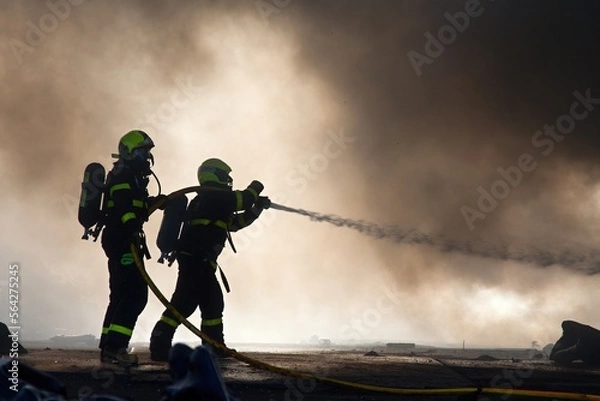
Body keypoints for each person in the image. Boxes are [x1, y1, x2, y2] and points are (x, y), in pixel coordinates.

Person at [149, 158, 270, 361]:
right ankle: (162, 345)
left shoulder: (209, 200)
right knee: (186, 304)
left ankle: (211, 345)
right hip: (196, 260)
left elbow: (236, 223)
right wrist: (256, 187)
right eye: (225, 176)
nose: (228, 181)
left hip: (199, 261)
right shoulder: (214, 197)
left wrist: (257, 209)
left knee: (208, 302)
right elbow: (242, 200)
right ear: (213, 175)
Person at [99, 130, 165, 366]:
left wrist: (154, 204)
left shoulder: (131, 176)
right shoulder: (124, 174)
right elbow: (125, 209)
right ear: (129, 152)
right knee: (135, 294)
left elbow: (134, 207)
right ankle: (116, 348)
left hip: (122, 239)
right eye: (143, 151)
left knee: (119, 294)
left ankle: (108, 346)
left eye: (148, 152)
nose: (147, 156)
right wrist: (132, 230)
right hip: (123, 239)